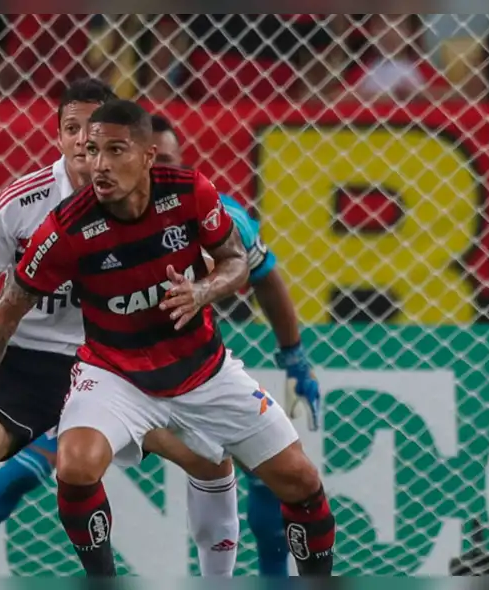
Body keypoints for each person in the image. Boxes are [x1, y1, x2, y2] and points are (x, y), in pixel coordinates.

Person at [0, 99, 335, 578]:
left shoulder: (196, 194)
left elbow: (241, 264)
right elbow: (3, 315)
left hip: (201, 369)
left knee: (298, 478)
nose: (100, 164)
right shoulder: (66, 226)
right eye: (91, 150)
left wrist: (204, 291)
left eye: (115, 150)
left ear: (149, 156)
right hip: (114, 374)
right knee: (74, 464)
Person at [0, 80, 242, 578]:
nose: (82, 143)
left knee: (212, 462)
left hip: (121, 365)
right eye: (71, 130)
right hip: (31, 366)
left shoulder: (158, 200)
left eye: (93, 133)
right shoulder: (22, 204)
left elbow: (226, 262)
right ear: (58, 136)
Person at [149, 114, 321, 576]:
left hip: (198, 370)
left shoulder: (220, 214)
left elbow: (266, 279)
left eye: (169, 160)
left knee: (271, 471)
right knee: (50, 468)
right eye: (152, 161)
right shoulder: (92, 218)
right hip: (113, 376)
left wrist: (294, 358)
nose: (161, 170)